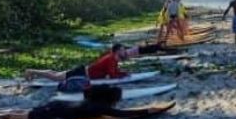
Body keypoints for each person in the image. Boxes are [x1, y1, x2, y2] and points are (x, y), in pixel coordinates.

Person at [0, 86, 157, 119]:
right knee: (19, 118)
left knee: (21, 112)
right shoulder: (101, 107)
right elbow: (121, 114)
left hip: (57, 106)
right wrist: (147, 111)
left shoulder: (92, 101)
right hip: (56, 112)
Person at [23, 43, 162, 88]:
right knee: (56, 77)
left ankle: (33, 72)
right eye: (122, 50)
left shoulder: (113, 58)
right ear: (117, 51)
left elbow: (113, 71)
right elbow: (112, 74)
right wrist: (124, 74)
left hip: (84, 71)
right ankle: (31, 71)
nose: (125, 51)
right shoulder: (111, 59)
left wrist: (123, 72)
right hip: (82, 73)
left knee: (56, 74)